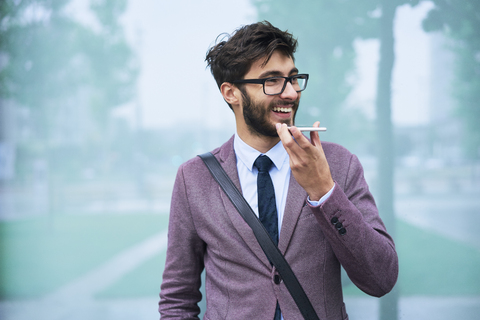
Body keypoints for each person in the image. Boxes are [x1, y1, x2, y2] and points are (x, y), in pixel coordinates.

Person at [158, 21, 398, 320]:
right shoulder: (193, 178)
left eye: (294, 79)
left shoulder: (338, 164)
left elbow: (381, 278)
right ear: (231, 92)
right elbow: (177, 297)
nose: (291, 93)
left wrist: (325, 192)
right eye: (272, 80)